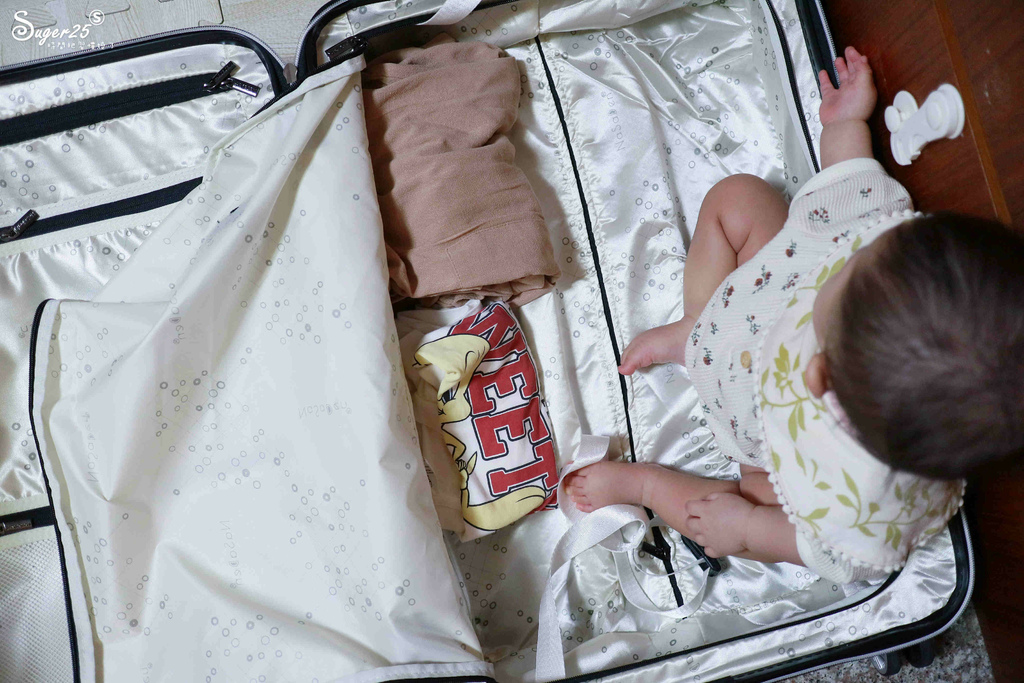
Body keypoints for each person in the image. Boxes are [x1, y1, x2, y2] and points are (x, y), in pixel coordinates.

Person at [564, 47, 1024, 582]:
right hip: (758, 296)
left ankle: (642, 485)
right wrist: (845, 124)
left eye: (849, 274)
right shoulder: (892, 249)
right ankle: (695, 328)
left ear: (819, 374)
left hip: (757, 427)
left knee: (730, 512)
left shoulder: (866, 501)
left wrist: (749, 529)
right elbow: (852, 185)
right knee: (738, 198)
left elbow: (827, 551)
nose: (857, 247)